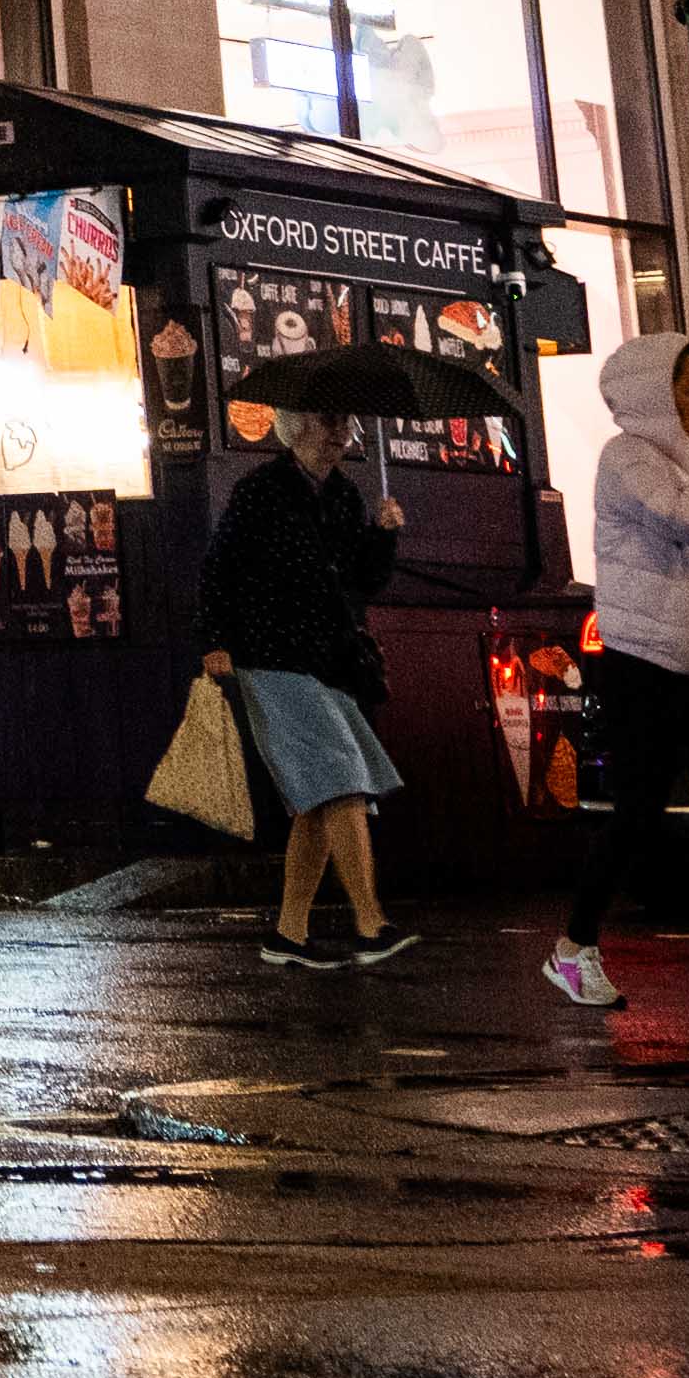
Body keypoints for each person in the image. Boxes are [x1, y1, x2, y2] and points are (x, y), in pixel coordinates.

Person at [551, 338, 689, 1004]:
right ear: (654, 396)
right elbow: (680, 519)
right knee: (638, 814)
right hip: (644, 661)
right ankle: (573, 946)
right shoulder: (627, 458)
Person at [201, 407, 411, 971]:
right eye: (327, 421)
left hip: (331, 661)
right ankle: (371, 922)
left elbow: (363, 581)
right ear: (296, 428)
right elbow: (220, 568)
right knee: (341, 782)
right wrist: (216, 638)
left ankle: (289, 934)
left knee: (318, 802)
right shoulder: (261, 491)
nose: (340, 432)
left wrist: (384, 536)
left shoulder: (344, 495)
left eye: (346, 422)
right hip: (271, 656)